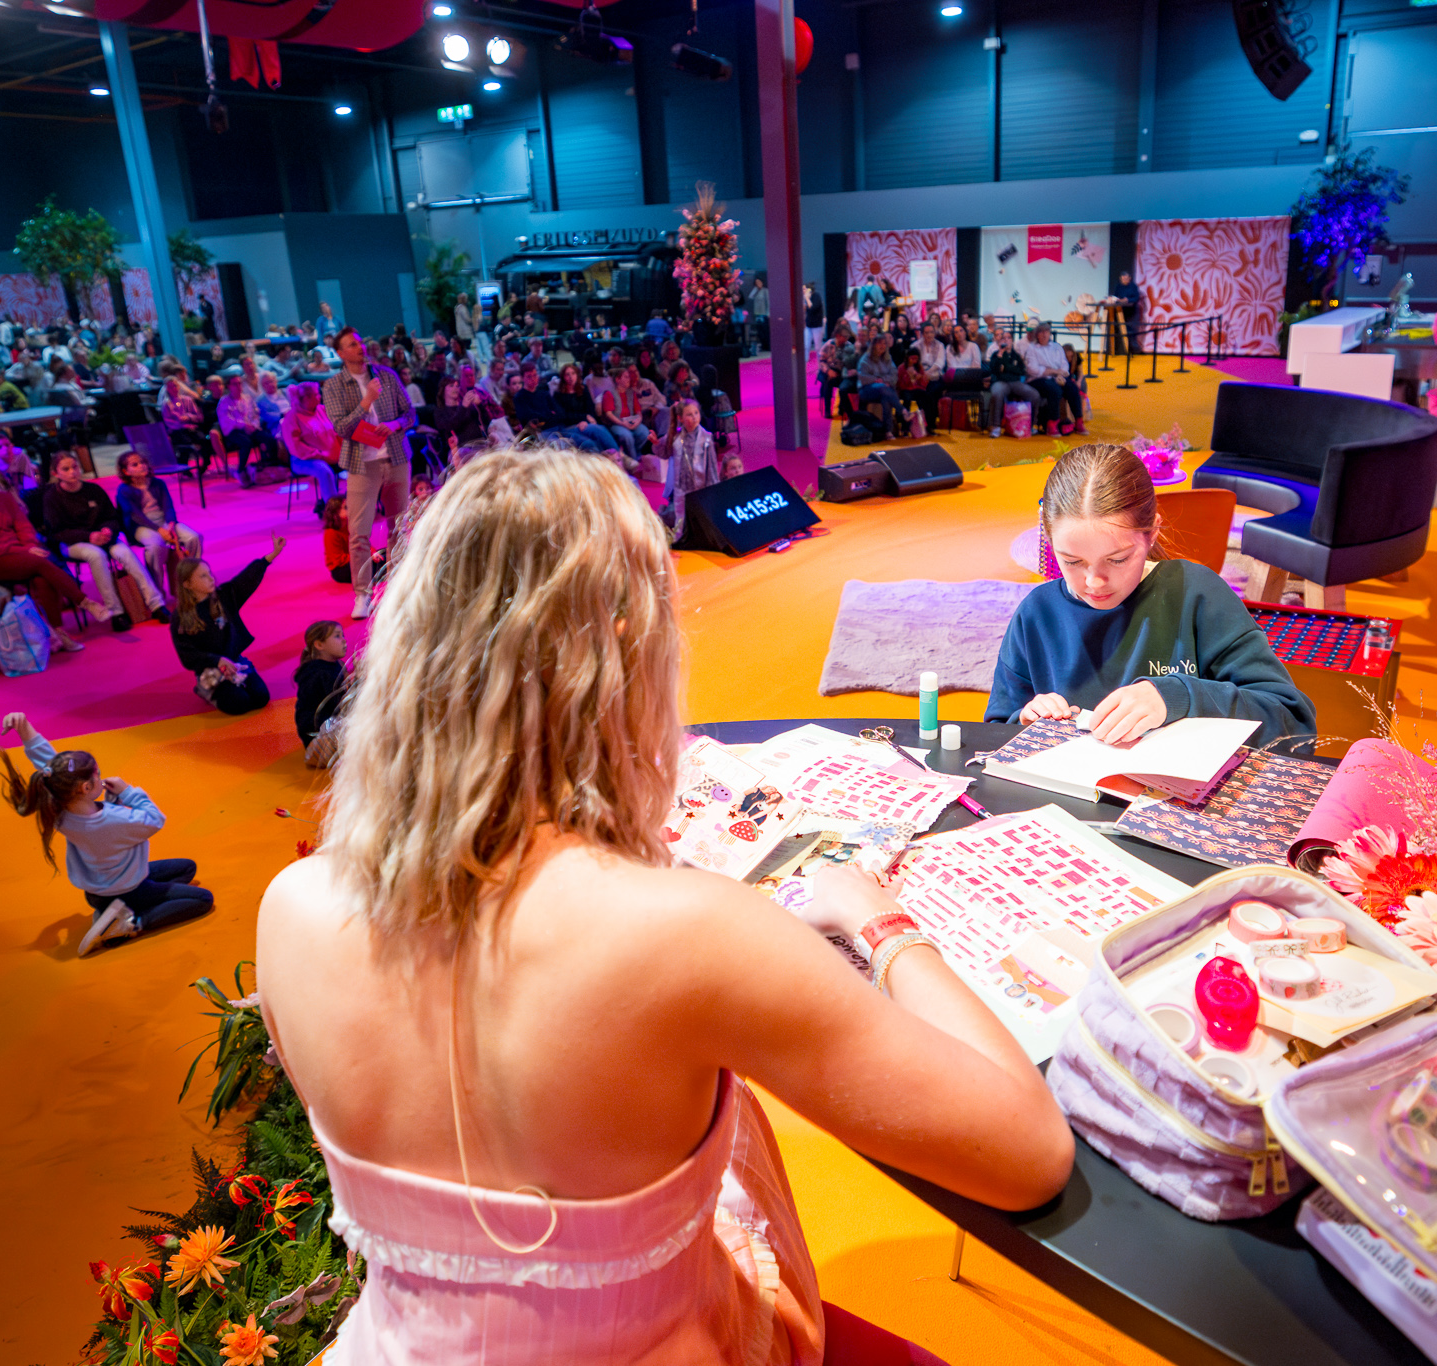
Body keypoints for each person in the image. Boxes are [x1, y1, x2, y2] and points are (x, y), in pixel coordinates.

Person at [255, 447, 1071, 1366]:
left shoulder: (290, 910)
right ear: (625, 660)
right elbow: (1027, 1154)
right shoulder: (694, 934)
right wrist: (879, 920)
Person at [986, 443, 1315, 747]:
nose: (1094, 581)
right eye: (1071, 561)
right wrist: (1026, 723)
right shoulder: (1037, 613)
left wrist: (1178, 696)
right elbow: (993, 734)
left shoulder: (1196, 593)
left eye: (1117, 559)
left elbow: (1295, 724)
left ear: (1152, 533)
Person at [0, 711, 215, 957]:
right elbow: (155, 820)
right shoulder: (113, 820)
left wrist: (25, 729)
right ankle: (130, 923)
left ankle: (112, 911)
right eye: (97, 776)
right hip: (128, 889)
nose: (101, 778)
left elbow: (50, 765)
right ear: (87, 788)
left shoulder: (59, 809)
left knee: (187, 868)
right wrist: (128, 792)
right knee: (202, 899)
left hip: (99, 890)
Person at [0, 454, 101, 651]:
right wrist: (26, 550)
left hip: (24, 553)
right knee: (41, 562)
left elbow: (23, 524)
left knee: (42, 578)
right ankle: (83, 600)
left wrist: (29, 546)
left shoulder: (1, 497)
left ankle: (58, 634)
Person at [324, 327, 416, 621]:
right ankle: (363, 594)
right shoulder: (334, 385)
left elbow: (410, 412)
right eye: (352, 345)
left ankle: (398, 587)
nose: (360, 347)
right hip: (362, 463)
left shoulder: (387, 375)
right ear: (341, 353)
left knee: (397, 527)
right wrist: (366, 402)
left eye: (361, 342)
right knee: (358, 533)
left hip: (396, 456)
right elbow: (342, 428)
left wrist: (396, 424)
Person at [41, 453, 167, 630]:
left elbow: (112, 517)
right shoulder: (51, 498)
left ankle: (156, 604)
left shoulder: (93, 490)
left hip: (103, 537)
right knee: (96, 555)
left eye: (75, 467)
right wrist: (88, 537)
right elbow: (56, 531)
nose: (72, 472)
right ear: (56, 473)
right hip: (73, 543)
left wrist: (108, 530)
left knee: (125, 553)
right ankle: (116, 612)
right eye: (66, 469)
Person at [170, 535, 284, 714]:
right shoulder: (180, 617)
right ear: (188, 584)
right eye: (203, 576)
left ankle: (236, 678)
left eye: (209, 573)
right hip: (211, 669)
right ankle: (204, 689)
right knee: (239, 704)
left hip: (235, 662)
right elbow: (187, 656)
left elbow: (245, 580)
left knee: (261, 698)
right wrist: (216, 660)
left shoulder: (223, 597)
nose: (211, 578)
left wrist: (271, 556)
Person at [660, 399, 743, 542]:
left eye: (696, 413)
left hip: (701, 486)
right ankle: (678, 538)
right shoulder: (675, 436)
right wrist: (656, 443)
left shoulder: (707, 438)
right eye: (689, 414)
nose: (694, 417)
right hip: (682, 488)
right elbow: (664, 453)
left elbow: (711, 466)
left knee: (705, 517)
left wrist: (713, 488)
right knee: (681, 519)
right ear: (680, 418)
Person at [113, 450, 202, 583]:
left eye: (142, 462)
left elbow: (168, 507)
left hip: (164, 521)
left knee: (193, 537)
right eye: (135, 464)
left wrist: (170, 524)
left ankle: (192, 575)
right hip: (141, 525)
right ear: (126, 471)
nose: (141, 466)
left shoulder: (158, 483)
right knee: (155, 546)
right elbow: (135, 515)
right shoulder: (124, 490)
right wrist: (159, 530)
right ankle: (157, 587)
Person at [293, 619, 351, 768]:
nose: (344, 640)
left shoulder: (337, 665)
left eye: (343, 635)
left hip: (331, 724)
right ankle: (321, 753)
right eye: (337, 636)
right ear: (319, 645)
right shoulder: (318, 673)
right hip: (319, 735)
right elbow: (340, 706)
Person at [279, 382, 343, 512]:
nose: (319, 397)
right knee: (324, 471)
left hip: (331, 455)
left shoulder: (322, 410)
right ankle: (334, 510)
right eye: (316, 394)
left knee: (358, 462)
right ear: (306, 398)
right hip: (304, 460)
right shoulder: (292, 417)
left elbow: (336, 432)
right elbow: (295, 447)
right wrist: (320, 455)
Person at [1021, 323, 1085, 437]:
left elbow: (1064, 365)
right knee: (1054, 389)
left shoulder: (1057, 347)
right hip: (1037, 379)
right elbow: (1033, 370)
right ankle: (1052, 424)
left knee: (1072, 387)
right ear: (1037, 335)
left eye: (1046, 331)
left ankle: (1079, 421)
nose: (1044, 334)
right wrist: (1054, 372)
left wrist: (1062, 374)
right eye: (1041, 332)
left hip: (1057, 377)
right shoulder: (1032, 349)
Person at [218, 374, 281, 488]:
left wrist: (253, 425)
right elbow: (227, 420)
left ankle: (270, 465)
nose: (238, 386)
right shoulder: (224, 402)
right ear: (229, 386)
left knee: (270, 439)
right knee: (246, 443)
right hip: (234, 430)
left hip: (250, 428)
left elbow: (256, 414)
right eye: (235, 384)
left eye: (239, 383)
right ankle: (240, 470)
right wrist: (244, 426)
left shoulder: (247, 398)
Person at [984, 329, 1039, 438]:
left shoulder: (1016, 356)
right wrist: (1000, 355)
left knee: (1034, 395)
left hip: (1015, 383)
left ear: (1012, 341)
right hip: (1000, 382)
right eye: (1004, 338)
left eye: (1009, 338)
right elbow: (993, 370)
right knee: (997, 393)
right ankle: (996, 427)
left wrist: (1006, 368)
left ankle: (1031, 425)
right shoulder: (996, 354)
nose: (1006, 340)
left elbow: (1021, 371)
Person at [856, 339, 902, 435]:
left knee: (886, 397)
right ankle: (902, 411)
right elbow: (863, 378)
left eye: (884, 343)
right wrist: (878, 380)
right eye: (879, 343)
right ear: (873, 345)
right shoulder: (866, 359)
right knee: (884, 388)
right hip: (866, 390)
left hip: (883, 390)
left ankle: (888, 431)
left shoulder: (888, 359)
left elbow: (894, 376)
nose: (882, 345)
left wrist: (882, 380)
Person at [803, 282, 826, 356]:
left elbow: (813, 308)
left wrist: (807, 298)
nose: (803, 290)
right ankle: (805, 363)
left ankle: (821, 364)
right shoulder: (805, 298)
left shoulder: (816, 296)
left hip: (817, 325)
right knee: (806, 345)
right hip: (809, 325)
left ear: (809, 290)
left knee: (817, 347)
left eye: (804, 289)